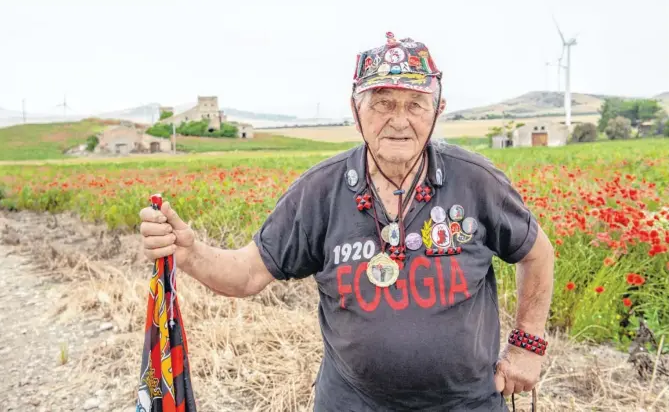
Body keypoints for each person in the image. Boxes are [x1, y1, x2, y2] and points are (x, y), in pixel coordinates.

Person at [139, 32, 555, 411]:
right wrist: (189, 253)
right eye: (382, 103)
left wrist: (527, 346)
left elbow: (538, 254)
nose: (398, 119)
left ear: (437, 110)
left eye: (415, 104)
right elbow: (247, 274)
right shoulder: (320, 191)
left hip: (468, 405)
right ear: (356, 110)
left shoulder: (474, 180)